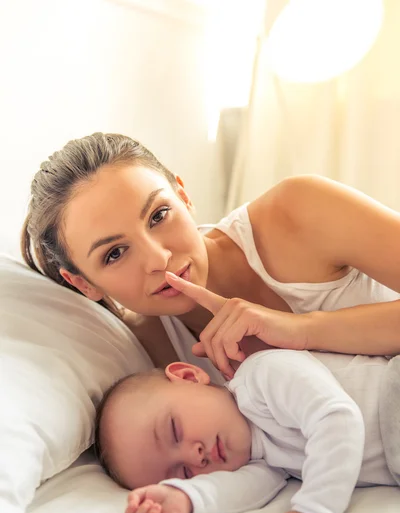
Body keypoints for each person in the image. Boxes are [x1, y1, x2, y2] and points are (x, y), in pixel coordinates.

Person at [21, 133, 400, 379]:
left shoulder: (299, 209)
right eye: (115, 253)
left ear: (183, 196)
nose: (158, 258)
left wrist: (301, 330)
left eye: (158, 215)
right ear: (83, 283)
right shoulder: (154, 353)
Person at [94, 346, 398, 513]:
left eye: (174, 431)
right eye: (183, 472)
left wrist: (315, 511)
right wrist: (182, 499)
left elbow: (337, 418)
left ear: (189, 375)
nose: (194, 456)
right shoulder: (263, 461)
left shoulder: (262, 376)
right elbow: (236, 490)